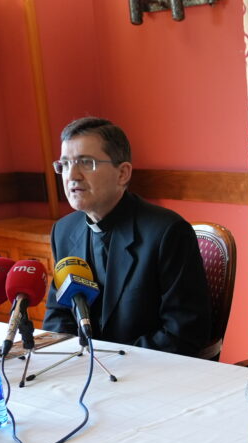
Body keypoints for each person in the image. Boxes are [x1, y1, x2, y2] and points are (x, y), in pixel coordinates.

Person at [43, 117, 211, 356]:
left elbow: (182, 333)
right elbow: (58, 316)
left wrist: (111, 360)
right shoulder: (64, 230)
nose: (72, 175)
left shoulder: (167, 232)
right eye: (65, 164)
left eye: (86, 163)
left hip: (149, 369)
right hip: (83, 368)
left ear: (122, 173)